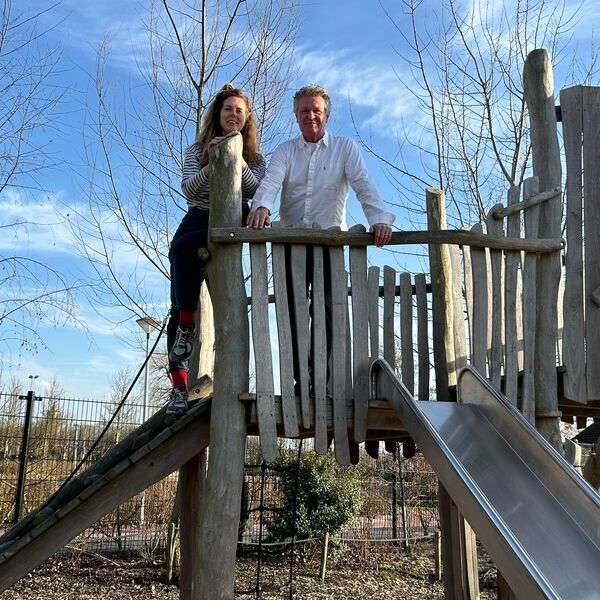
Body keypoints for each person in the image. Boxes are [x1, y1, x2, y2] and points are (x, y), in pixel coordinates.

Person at [246, 84, 395, 394]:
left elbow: (363, 183)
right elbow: (271, 181)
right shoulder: (286, 151)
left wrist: (378, 219)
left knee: (327, 309)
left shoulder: (345, 148)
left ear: (326, 115)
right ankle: (299, 380)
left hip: (329, 244)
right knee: (292, 311)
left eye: (316, 110)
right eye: (305, 111)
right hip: (292, 243)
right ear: (296, 116)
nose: (311, 116)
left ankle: (321, 380)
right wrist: (262, 206)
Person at [166, 84, 265, 414]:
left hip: (231, 219)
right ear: (218, 114)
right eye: (228, 109)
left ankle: (231, 383)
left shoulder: (255, 158)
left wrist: (234, 157)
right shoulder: (196, 150)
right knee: (181, 260)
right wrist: (212, 162)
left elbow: (255, 190)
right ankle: (180, 379)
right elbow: (190, 190)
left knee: (229, 306)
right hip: (199, 218)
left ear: (246, 118)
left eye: (239, 110)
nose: (233, 114)